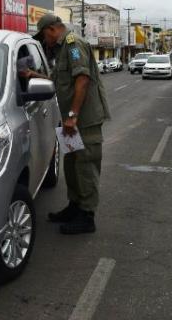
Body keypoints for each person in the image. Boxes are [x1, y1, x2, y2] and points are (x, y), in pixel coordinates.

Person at [35, 14, 110, 235]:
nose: (44, 41)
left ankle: (87, 217)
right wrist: (33, 74)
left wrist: (72, 115)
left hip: (82, 120)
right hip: (70, 121)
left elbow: (82, 79)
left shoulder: (73, 44)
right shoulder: (61, 50)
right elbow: (61, 80)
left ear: (50, 30)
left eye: (43, 36)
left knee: (85, 166)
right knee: (71, 164)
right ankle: (74, 206)